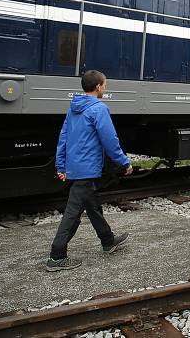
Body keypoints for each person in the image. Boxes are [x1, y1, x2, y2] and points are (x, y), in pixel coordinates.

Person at [46, 70, 133, 272]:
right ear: (98, 87)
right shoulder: (99, 109)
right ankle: (57, 256)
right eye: (105, 85)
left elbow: (63, 138)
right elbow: (110, 140)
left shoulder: (73, 108)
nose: (105, 88)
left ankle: (108, 241)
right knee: (72, 213)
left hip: (76, 166)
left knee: (92, 205)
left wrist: (61, 165)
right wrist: (124, 162)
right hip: (87, 169)